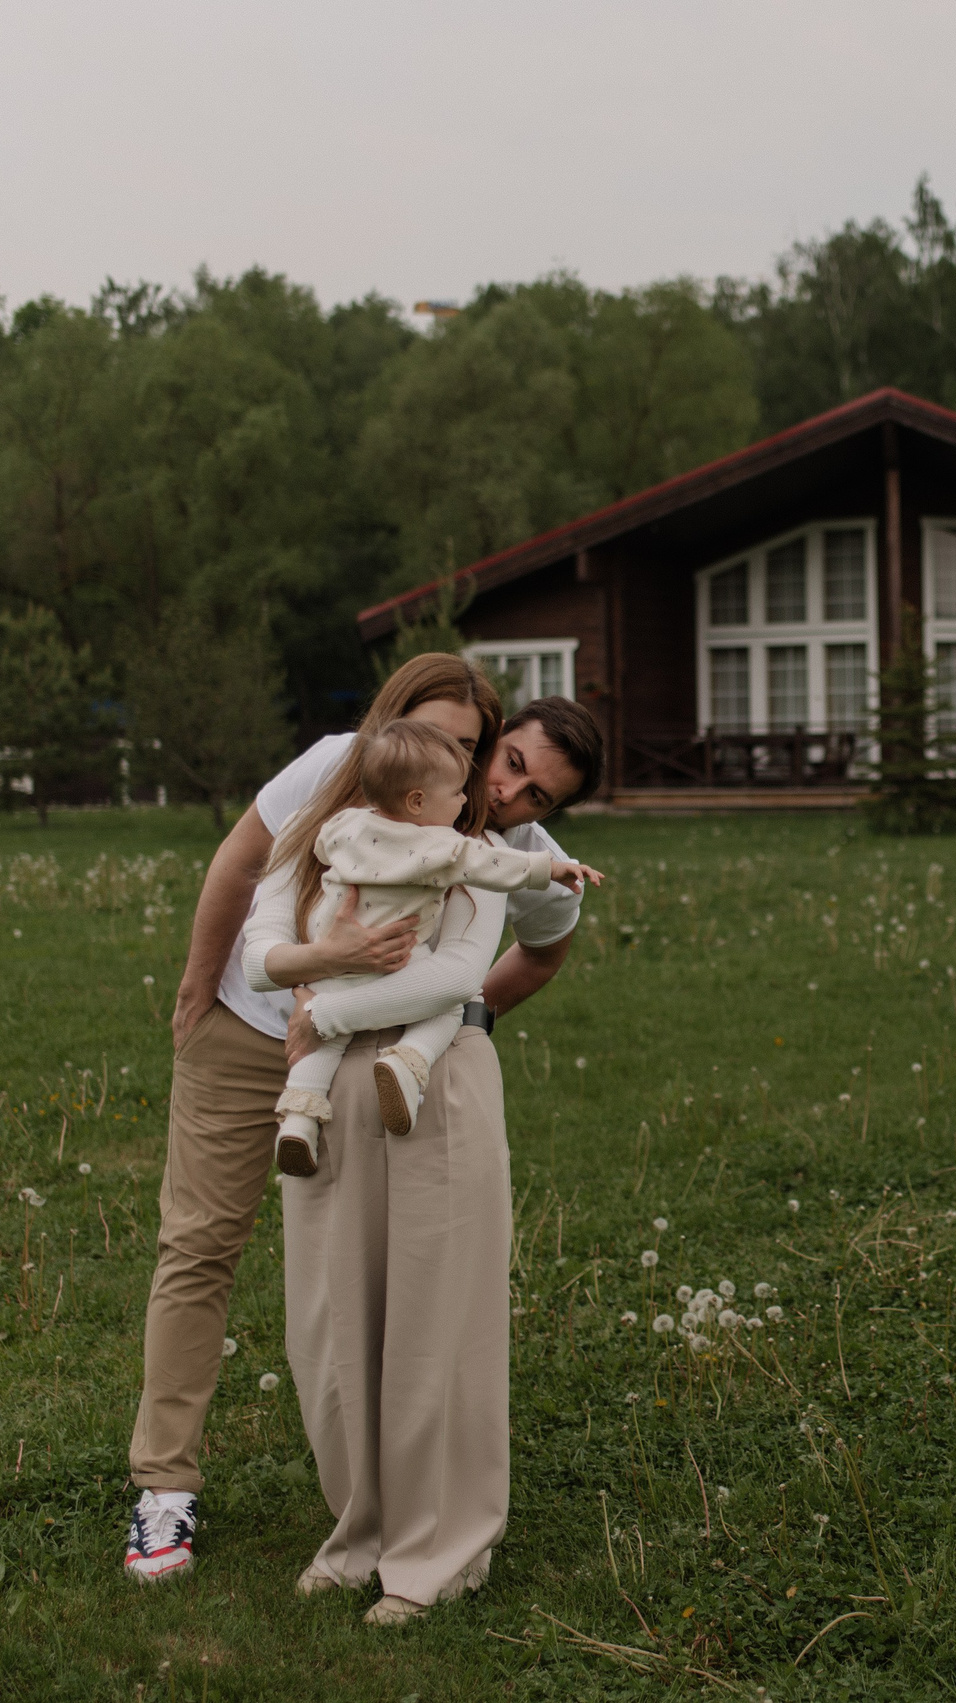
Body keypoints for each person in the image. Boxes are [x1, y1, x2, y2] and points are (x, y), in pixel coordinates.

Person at [123, 654, 603, 1584]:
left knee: (356, 1277)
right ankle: (164, 1486)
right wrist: (196, 990)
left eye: (528, 786)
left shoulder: (510, 853)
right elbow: (242, 862)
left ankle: (384, 1496)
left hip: (358, 1061)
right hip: (249, 1028)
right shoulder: (336, 768)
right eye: (499, 759)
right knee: (200, 1243)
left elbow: (545, 950)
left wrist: (462, 1019)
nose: (498, 784)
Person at [259, 718, 598, 1174]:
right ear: (493, 735)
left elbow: (321, 848)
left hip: (329, 970)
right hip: (393, 959)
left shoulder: (345, 822)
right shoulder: (448, 846)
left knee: (329, 1045)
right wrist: (552, 869)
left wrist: (325, 1002)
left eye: (536, 796)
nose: (504, 793)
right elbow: (494, 867)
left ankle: (299, 1121)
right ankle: (409, 1062)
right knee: (454, 1005)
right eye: (513, 763)